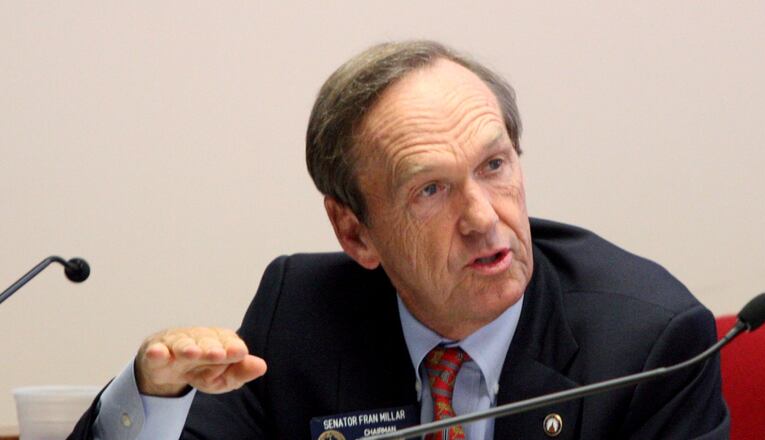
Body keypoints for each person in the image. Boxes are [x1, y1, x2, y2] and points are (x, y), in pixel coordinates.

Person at [69, 41, 729, 439]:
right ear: (355, 233)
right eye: (431, 190)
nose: (483, 217)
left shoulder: (648, 346)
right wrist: (153, 399)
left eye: (494, 166)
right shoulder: (300, 313)